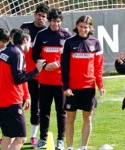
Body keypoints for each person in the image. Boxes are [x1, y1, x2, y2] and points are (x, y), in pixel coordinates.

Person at [0, 29, 45, 150]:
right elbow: (18, 78)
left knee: (7, 136)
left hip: (1, 101)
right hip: (12, 101)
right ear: (25, 40)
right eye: (29, 41)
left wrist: (26, 95)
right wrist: (36, 71)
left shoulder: (3, 52)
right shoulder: (18, 53)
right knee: (21, 138)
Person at [61, 15, 105, 150]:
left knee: (88, 118)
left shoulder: (96, 43)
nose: (83, 29)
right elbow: (64, 67)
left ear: (90, 27)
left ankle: (83, 147)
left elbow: (98, 67)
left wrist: (100, 85)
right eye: (81, 26)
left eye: (86, 27)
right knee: (70, 119)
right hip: (72, 88)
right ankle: (69, 147)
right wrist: (66, 86)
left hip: (89, 88)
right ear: (77, 26)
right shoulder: (69, 43)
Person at [32, 8, 72, 149]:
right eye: (54, 21)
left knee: (61, 111)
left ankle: (61, 140)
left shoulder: (66, 35)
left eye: (58, 21)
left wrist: (59, 64)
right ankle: (43, 138)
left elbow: (70, 57)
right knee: (44, 111)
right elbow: (34, 55)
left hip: (61, 81)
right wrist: (44, 65)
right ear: (50, 21)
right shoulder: (41, 35)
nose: (56, 24)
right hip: (44, 81)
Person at [20, 2, 50, 146]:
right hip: (23, 74)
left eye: (44, 16)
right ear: (34, 14)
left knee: (35, 105)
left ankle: (33, 135)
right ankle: (11, 134)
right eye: (39, 15)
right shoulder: (25, 28)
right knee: (15, 104)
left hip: (38, 75)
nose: (41, 18)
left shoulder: (47, 32)